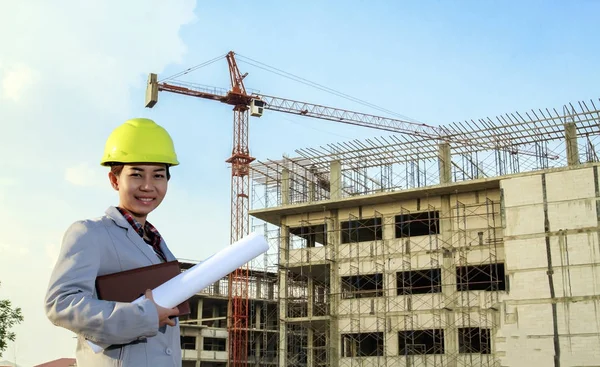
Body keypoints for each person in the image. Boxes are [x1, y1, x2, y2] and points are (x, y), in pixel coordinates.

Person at [45, 118, 183, 366]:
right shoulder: (90, 233)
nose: (148, 185)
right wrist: (144, 316)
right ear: (114, 179)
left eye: (158, 175)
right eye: (136, 174)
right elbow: (61, 303)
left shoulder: (160, 246)